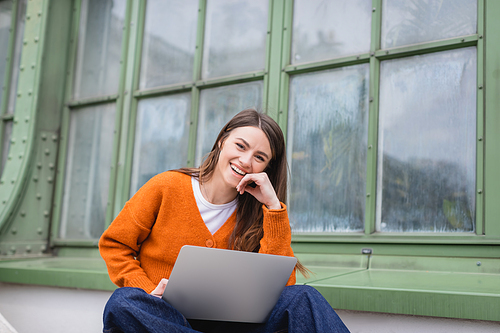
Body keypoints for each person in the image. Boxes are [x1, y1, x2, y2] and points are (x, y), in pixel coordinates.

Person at [99, 108, 350, 333]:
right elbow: (114, 245)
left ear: (267, 168)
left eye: (259, 157)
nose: (246, 161)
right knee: (123, 302)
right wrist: (147, 290)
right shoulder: (167, 186)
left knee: (303, 296)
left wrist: (273, 208)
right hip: (162, 316)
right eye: (241, 146)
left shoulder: (259, 211)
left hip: (233, 323)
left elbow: (282, 286)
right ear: (222, 140)